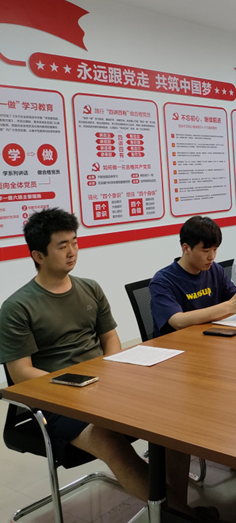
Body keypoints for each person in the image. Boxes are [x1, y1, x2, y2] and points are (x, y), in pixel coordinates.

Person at [0, 209, 204, 518]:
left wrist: (110, 369)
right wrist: (76, 383)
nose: (72, 251)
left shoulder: (89, 288)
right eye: (62, 246)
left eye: (74, 242)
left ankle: (176, 511)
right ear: (38, 255)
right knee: (109, 439)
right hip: (57, 399)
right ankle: (183, 516)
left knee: (174, 415)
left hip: (103, 383)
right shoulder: (17, 307)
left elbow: (110, 338)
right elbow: (20, 373)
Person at [150, 216, 236, 336]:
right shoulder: (162, 281)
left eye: (215, 249)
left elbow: (235, 298)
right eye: (206, 251)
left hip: (210, 337)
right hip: (178, 342)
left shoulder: (215, 269)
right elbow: (178, 321)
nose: (212, 257)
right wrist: (228, 307)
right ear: (186, 248)